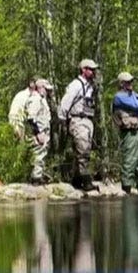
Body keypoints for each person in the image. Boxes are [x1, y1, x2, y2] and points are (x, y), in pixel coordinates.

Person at [57, 59, 99, 191]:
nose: (93, 72)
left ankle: (76, 180)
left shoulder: (90, 87)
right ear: (83, 70)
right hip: (77, 120)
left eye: (93, 69)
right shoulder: (76, 85)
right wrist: (62, 120)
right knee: (83, 150)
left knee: (85, 150)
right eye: (90, 69)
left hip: (88, 120)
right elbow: (65, 103)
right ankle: (86, 182)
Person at [25, 78, 54, 185]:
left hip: (43, 132)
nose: (48, 92)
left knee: (41, 155)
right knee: (38, 155)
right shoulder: (35, 99)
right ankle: (36, 179)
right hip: (38, 133)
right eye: (46, 89)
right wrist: (38, 134)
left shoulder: (41, 99)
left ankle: (38, 176)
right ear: (41, 88)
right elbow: (31, 118)